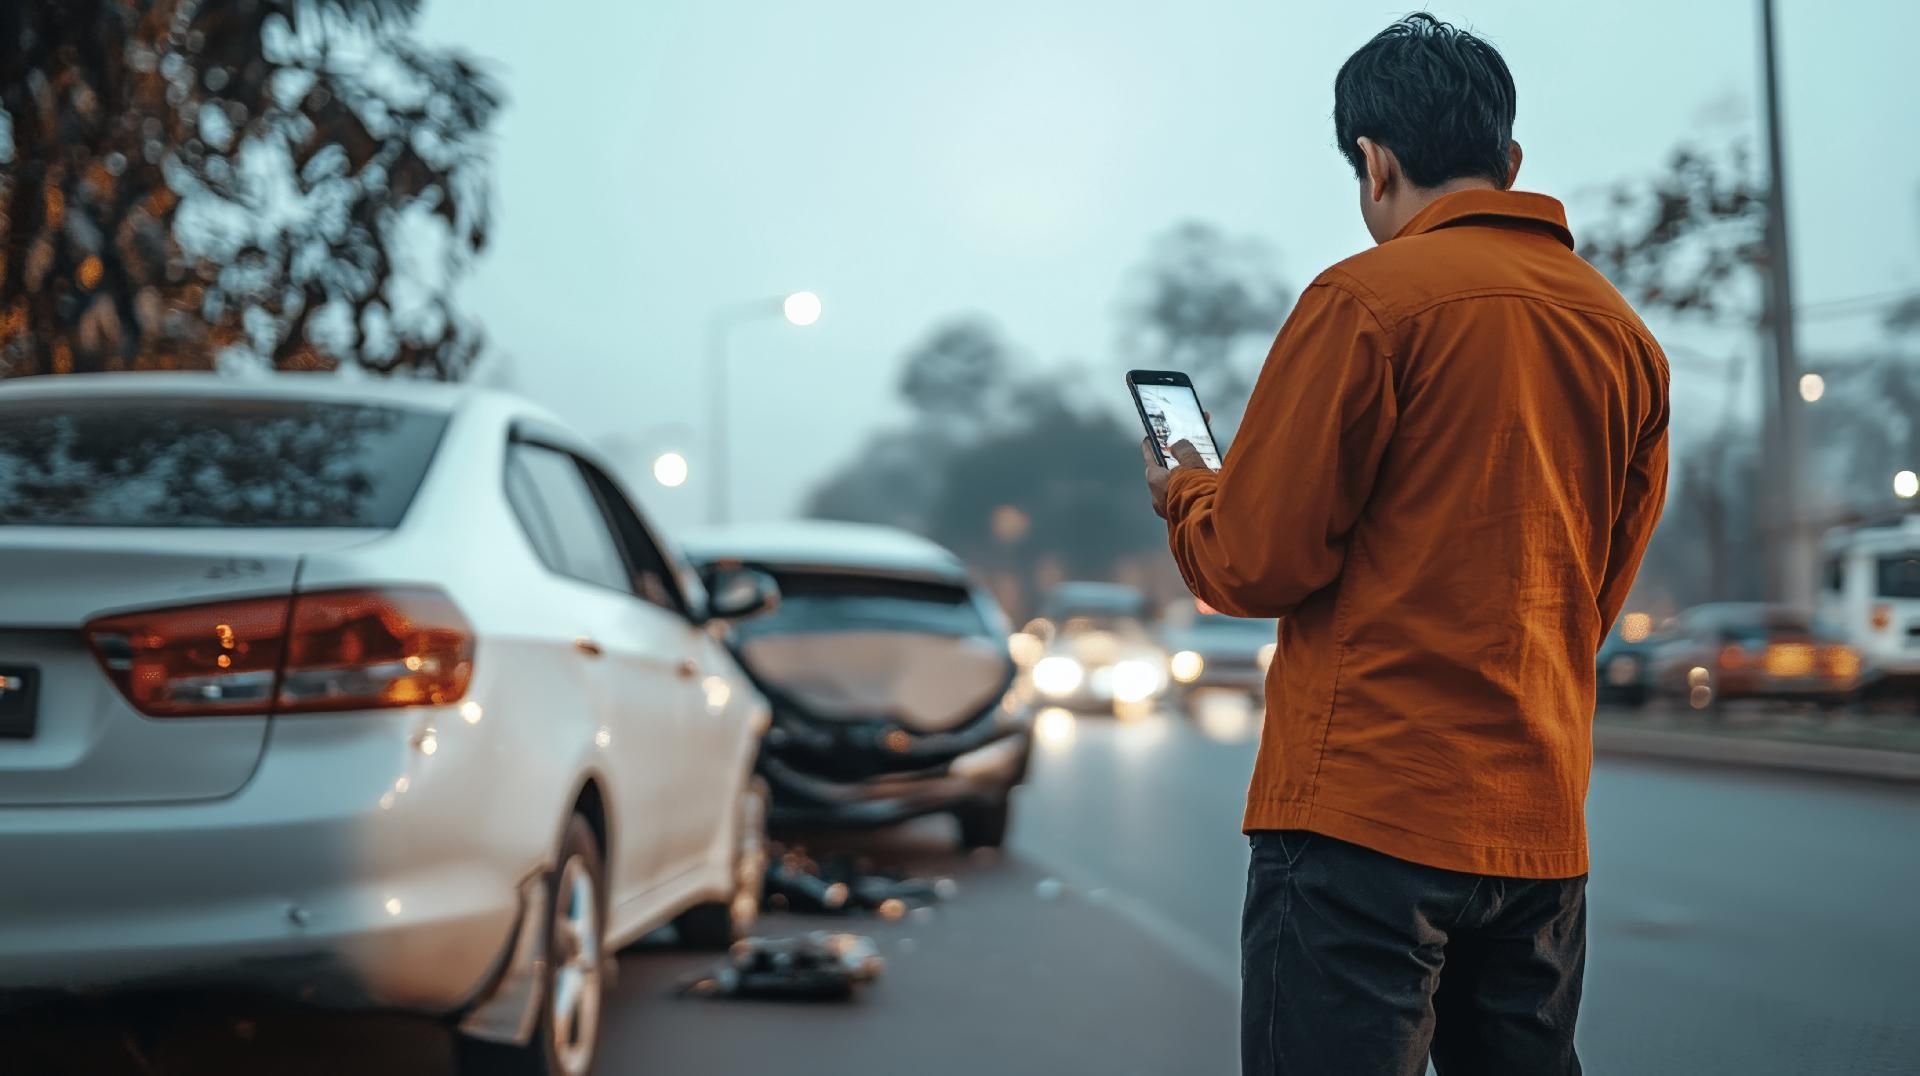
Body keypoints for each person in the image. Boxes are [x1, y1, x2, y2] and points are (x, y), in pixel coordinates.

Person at [1140, 13, 1669, 1076]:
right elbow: (1591, 598)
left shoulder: (1366, 304)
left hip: (1361, 818)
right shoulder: (1623, 337)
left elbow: (1254, 560)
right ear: (1509, 161)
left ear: (1374, 166)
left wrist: (1187, 490)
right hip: (1538, 833)